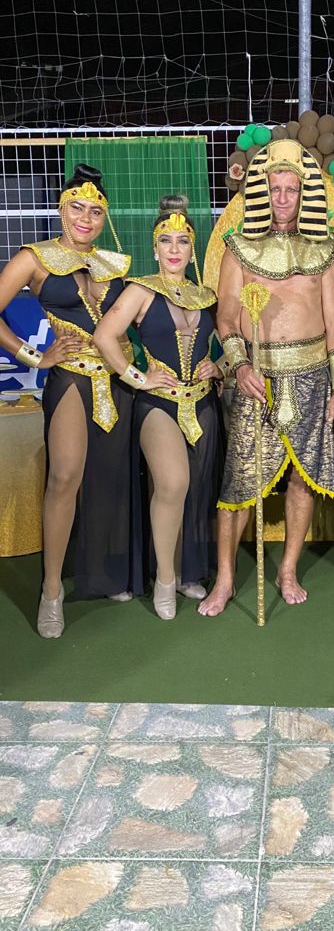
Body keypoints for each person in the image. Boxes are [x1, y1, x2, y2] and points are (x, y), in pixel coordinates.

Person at [198, 138, 334, 616]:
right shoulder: (238, 248)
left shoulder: (325, 249)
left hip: (313, 376)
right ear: (262, 193)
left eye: (291, 189)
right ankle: (225, 580)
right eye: (275, 189)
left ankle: (287, 571)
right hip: (255, 379)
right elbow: (226, 318)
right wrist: (240, 364)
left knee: (303, 481)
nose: (283, 198)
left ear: (304, 195)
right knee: (239, 484)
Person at [0, 163, 133, 637]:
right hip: (71, 379)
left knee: (109, 480)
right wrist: (34, 356)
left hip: (117, 382)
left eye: (95, 211)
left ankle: (103, 574)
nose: (85, 218)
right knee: (65, 476)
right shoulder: (34, 257)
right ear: (61, 210)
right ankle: (52, 590)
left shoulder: (114, 263)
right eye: (77, 208)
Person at [94, 195, 225, 619]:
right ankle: (165, 579)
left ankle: (187, 572)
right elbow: (104, 336)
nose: (174, 248)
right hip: (157, 404)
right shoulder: (140, 290)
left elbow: (237, 339)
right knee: (172, 483)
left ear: (192, 249)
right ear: (154, 248)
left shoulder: (207, 295)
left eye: (182, 241)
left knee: (196, 490)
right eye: (166, 240)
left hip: (203, 404)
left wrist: (220, 365)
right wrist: (137, 377)